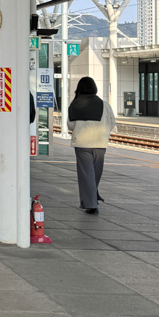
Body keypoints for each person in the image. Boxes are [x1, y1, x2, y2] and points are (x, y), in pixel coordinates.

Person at [68, 77, 115, 214]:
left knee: (86, 174)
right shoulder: (104, 104)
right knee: (95, 174)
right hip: (100, 144)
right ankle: (92, 199)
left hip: (82, 144)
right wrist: (103, 132)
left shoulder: (75, 104)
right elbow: (112, 122)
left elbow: (70, 125)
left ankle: (91, 203)